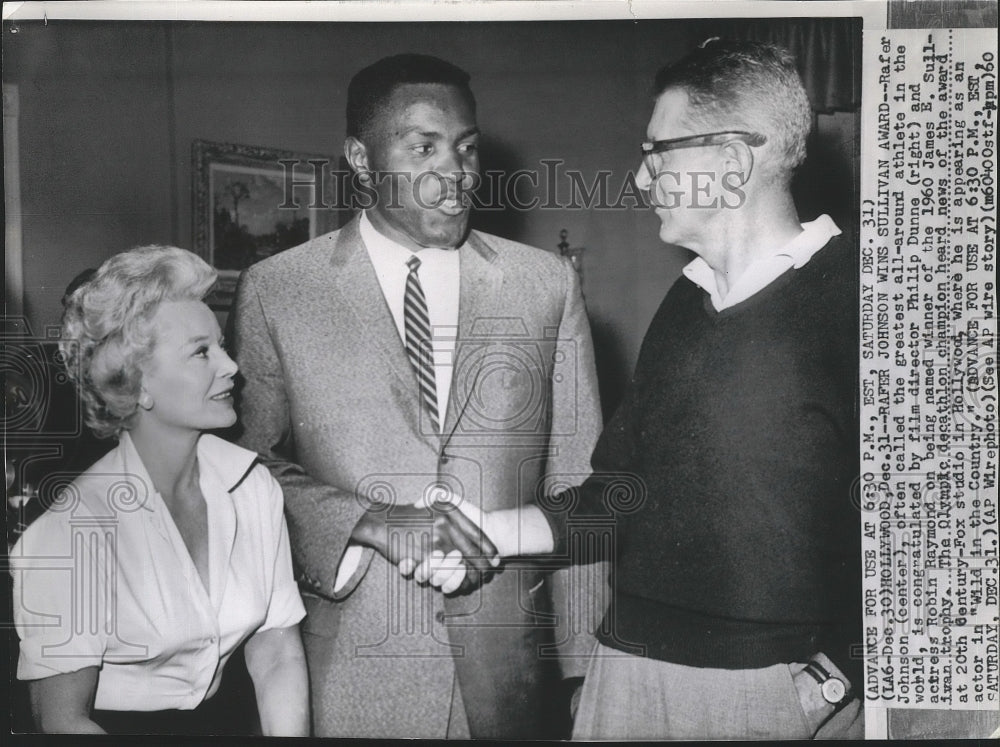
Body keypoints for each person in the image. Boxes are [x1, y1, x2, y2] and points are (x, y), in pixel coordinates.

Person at [458, 39, 862, 739]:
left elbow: (937, 525)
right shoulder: (684, 300)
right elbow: (618, 497)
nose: (643, 180)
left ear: (733, 161)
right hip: (629, 667)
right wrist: (489, 529)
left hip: (767, 688)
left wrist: (832, 678)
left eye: (659, 152)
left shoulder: (868, 296)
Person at [229, 53, 603, 738]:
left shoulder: (545, 283)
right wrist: (366, 519)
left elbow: (579, 482)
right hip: (352, 671)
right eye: (424, 147)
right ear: (361, 160)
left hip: (513, 679)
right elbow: (245, 470)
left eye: (466, 148)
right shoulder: (279, 289)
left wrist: (585, 677)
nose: (455, 173)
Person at [10, 246, 309, 735]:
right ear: (136, 384)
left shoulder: (252, 486)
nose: (232, 367)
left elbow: (276, 652)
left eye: (223, 346)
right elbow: (62, 721)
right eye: (201, 352)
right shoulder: (73, 528)